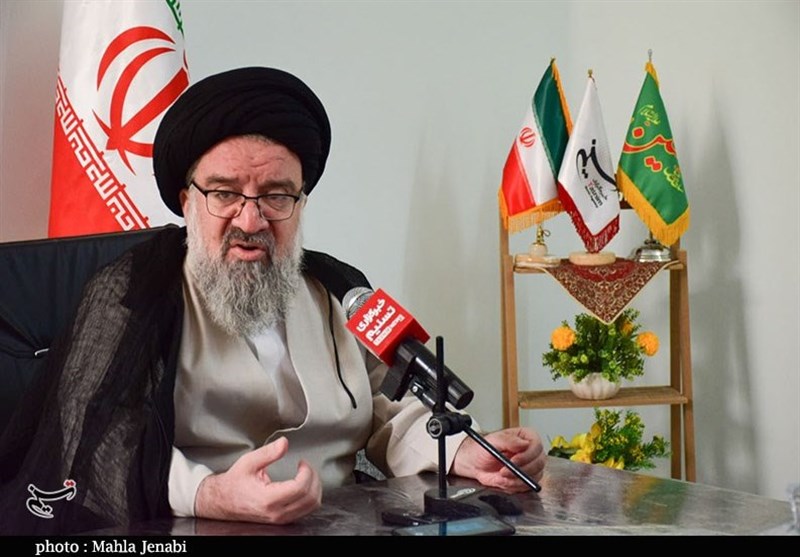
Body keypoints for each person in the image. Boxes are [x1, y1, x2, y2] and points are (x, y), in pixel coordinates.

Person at [0, 67, 545, 534]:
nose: (252, 219)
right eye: (225, 193)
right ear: (187, 201)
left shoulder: (337, 289)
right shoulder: (133, 292)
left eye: (276, 195)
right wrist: (208, 494)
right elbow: (91, 441)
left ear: (300, 203)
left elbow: (387, 411)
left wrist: (461, 450)